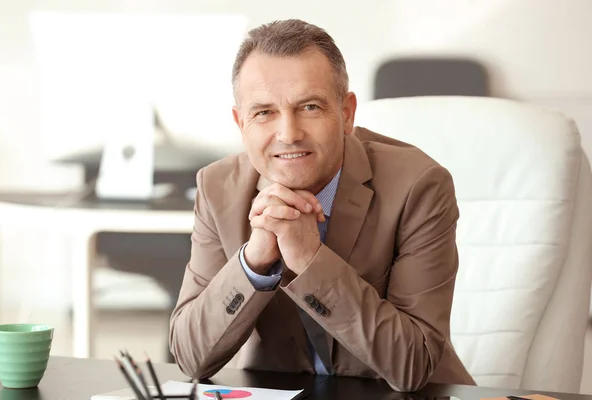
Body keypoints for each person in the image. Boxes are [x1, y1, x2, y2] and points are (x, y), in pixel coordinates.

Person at [169, 19, 475, 392]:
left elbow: (412, 365)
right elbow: (190, 357)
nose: (288, 133)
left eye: (310, 107)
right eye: (264, 112)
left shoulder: (419, 186)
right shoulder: (218, 188)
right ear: (240, 122)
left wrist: (310, 259)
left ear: (346, 113)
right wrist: (253, 263)